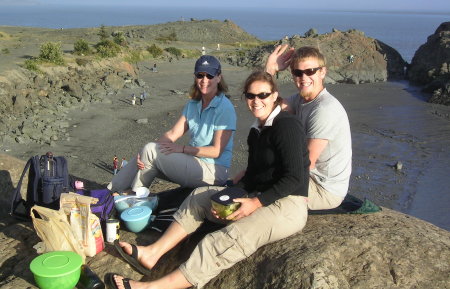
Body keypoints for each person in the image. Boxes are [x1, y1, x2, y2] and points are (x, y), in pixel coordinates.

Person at [108, 71, 310, 289]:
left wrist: (255, 203)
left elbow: (295, 177)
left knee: (225, 238)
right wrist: (226, 199)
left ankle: (151, 287)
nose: (256, 101)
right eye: (250, 96)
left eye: (263, 95)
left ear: (274, 96)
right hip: (259, 195)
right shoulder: (256, 130)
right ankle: (152, 253)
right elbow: (252, 175)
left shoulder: (287, 125)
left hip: (289, 204)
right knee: (198, 198)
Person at [107, 55, 236, 193]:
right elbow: (173, 134)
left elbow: (216, 151)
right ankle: (111, 192)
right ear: (195, 76)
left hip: (213, 171)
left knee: (150, 151)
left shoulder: (224, 108)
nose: (204, 80)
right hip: (193, 162)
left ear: (218, 77)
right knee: (147, 151)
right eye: (200, 75)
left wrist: (182, 149)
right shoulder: (193, 104)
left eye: (210, 76)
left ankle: (128, 198)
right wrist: (145, 151)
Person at [265, 45, 352, 210]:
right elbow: (269, 107)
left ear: (322, 72)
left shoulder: (325, 109)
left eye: (310, 71)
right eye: (298, 72)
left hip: (324, 189)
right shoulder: (300, 100)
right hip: (308, 177)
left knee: (261, 185)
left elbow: (306, 163)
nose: (303, 77)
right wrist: (270, 71)